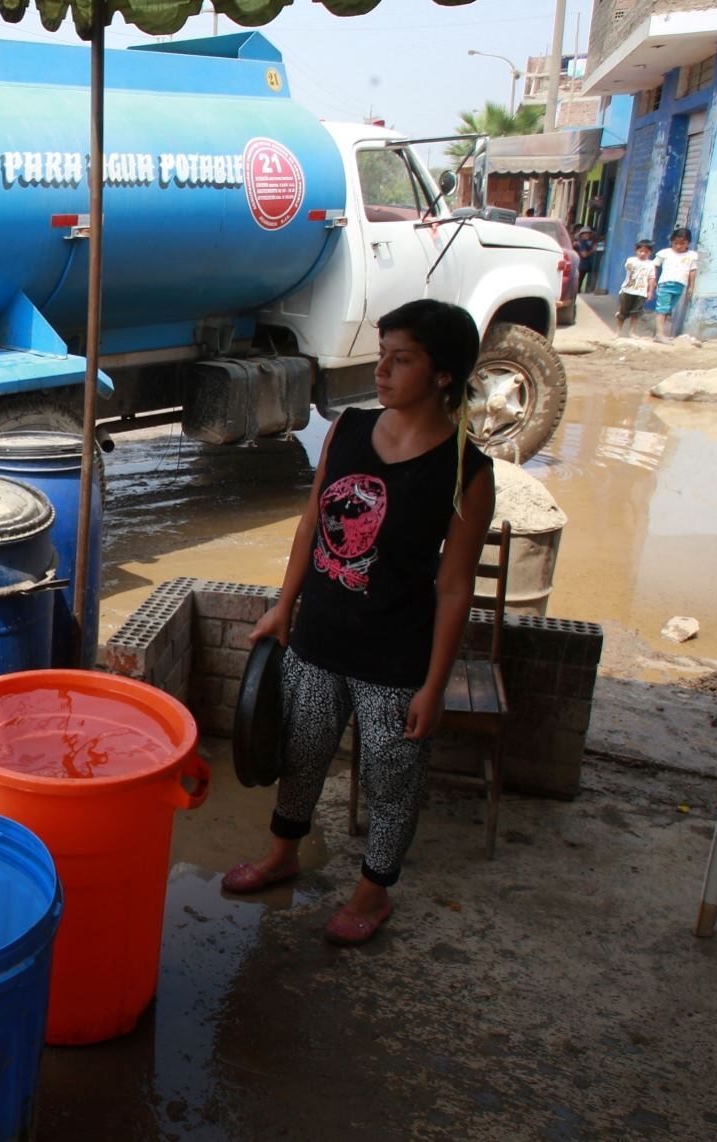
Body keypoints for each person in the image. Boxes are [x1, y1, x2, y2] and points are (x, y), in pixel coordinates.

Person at [223, 299, 495, 947]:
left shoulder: (466, 471)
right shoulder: (347, 430)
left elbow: (455, 587)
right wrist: (284, 607)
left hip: (396, 660)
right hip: (318, 640)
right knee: (304, 754)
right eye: (382, 356)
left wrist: (435, 684)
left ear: (443, 375)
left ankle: (373, 894)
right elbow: (312, 523)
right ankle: (282, 854)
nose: (383, 371)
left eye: (402, 360)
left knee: (391, 780)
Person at [652, 227, 699, 342]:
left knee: (667, 309)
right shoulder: (664, 253)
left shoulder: (691, 256)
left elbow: (692, 271)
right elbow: (654, 266)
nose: (678, 246)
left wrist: (691, 286)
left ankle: (659, 333)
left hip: (679, 286)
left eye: (682, 243)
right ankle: (659, 334)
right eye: (675, 243)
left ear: (688, 243)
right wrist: (653, 280)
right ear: (671, 241)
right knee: (662, 309)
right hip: (665, 284)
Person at [618, 240, 657, 338]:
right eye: (640, 251)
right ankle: (617, 332)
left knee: (635, 314)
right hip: (627, 290)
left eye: (646, 252)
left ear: (650, 252)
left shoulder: (651, 264)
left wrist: (650, 291)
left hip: (641, 292)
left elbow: (651, 278)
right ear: (636, 250)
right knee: (622, 313)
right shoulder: (631, 260)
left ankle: (631, 332)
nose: (643, 254)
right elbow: (628, 267)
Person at [572, 227, 598, 293]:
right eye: (585, 234)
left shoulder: (585, 242)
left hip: (582, 266)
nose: (587, 235)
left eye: (589, 233)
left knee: (578, 282)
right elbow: (584, 254)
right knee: (578, 282)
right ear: (581, 235)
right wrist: (593, 250)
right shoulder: (582, 242)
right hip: (581, 266)